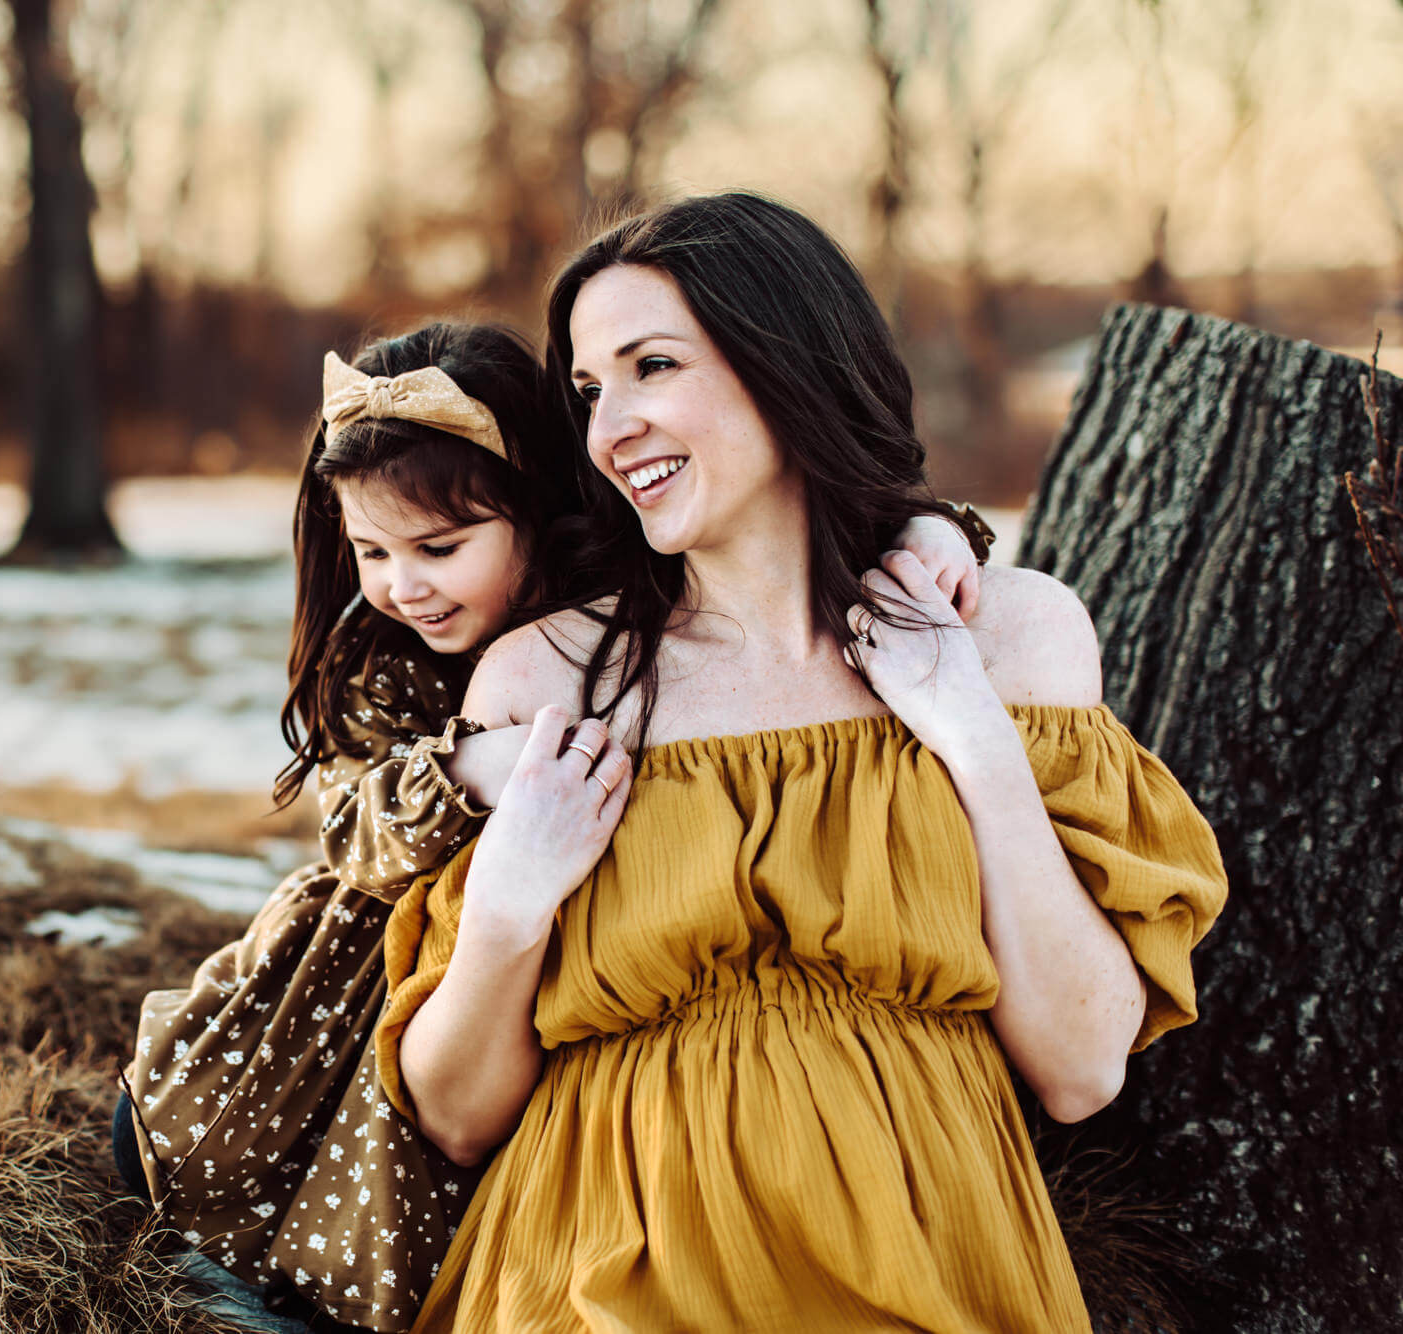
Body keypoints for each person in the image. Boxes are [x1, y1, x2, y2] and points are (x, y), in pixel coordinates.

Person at [376, 192, 1230, 1333]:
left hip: (938, 1274)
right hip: (599, 1276)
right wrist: (504, 915)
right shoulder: (545, 682)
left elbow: (1080, 1066)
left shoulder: (1010, 639)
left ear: (788, 363)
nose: (608, 425)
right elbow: (456, 1114)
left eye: (652, 365)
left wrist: (971, 739)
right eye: (588, 389)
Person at [115, 321, 989, 1331]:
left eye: (441, 547)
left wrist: (930, 530)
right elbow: (353, 831)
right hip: (369, 982)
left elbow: (788, 525)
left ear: (533, 508)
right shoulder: (387, 662)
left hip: (566, 974)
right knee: (342, 1175)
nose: (404, 584)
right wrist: (466, 768)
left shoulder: (610, 604)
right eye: (372, 550)